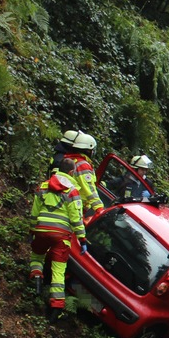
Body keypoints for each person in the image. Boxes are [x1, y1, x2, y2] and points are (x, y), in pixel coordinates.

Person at [28, 158, 86, 321]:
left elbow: (35, 211)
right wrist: (82, 239)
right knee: (58, 270)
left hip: (41, 230)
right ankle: (55, 308)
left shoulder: (44, 186)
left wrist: (32, 230)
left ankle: (37, 277)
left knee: (37, 255)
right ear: (71, 172)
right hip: (61, 236)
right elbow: (76, 219)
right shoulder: (73, 192)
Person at [60, 131, 104, 220]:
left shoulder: (69, 159)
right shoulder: (83, 165)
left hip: (64, 201)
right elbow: (89, 189)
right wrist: (99, 208)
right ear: (89, 150)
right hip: (75, 205)